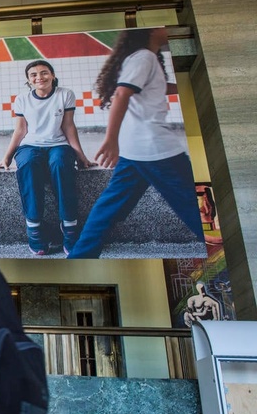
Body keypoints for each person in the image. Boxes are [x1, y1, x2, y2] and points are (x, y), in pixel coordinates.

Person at [68, 27, 204, 258]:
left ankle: (80, 256)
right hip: (156, 148)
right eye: (164, 25)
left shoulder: (141, 58)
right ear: (152, 30)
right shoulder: (144, 57)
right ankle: (228, 249)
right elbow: (122, 94)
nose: (167, 27)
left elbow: (153, 88)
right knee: (194, 206)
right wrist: (111, 140)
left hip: (136, 151)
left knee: (108, 208)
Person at [0, 60, 94, 255]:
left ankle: (70, 228)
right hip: (30, 146)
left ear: (52, 75)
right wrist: (6, 157)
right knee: (28, 165)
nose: (39, 77)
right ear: (28, 80)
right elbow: (20, 130)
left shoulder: (65, 95)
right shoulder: (22, 99)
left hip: (58, 145)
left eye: (44, 73)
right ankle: (34, 228)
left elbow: (68, 127)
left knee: (60, 164)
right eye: (33, 74)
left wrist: (81, 156)